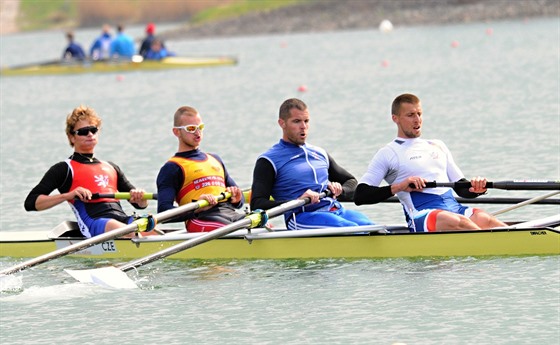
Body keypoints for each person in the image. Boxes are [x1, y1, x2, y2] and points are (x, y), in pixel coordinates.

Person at [354, 93, 508, 232]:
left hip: (453, 206)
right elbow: (360, 195)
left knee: (486, 219)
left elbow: (461, 189)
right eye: (410, 115)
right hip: (423, 214)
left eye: (419, 114)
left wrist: (477, 188)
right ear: (395, 118)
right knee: (459, 222)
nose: (417, 120)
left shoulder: (437, 145)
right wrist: (400, 186)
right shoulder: (388, 153)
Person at [24, 106, 154, 238]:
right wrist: (68, 195)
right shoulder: (64, 169)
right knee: (132, 233)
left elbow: (139, 205)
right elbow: (30, 203)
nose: (90, 134)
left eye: (93, 130)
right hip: (95, 222)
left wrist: (140, 198)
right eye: (83, 131)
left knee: (153, 231)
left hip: (122, 219)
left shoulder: (111, 167)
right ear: (71, 137)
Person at [250, 98, 374, 230]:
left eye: (306, 121)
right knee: (351, 229)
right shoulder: (268, 160)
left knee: (374, 228)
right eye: (296, 121)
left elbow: (351, 181)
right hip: (302, 217)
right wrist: (297, 201)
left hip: (335, 210)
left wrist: (339, 190)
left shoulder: (320, 154)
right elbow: (257, 204)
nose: (303, 126)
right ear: (282, 123)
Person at [156, 106, 245, 232]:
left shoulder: (215, 159)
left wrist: (237, 198)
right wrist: (196, 208)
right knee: (239, 230)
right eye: (191, 128)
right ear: (176, 132)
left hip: (230, 214)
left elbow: (240, 201)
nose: (197, 132)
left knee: (263, 225)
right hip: (201, 218)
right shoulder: (172, 168)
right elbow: (163, 212)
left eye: (200, 127)